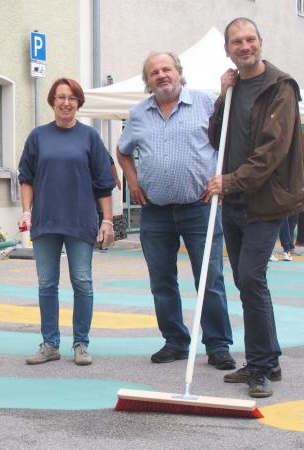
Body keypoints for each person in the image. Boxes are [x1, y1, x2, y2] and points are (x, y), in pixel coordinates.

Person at [204, 18, 304, 398]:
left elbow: (272, 152)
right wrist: (221, 95)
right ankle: (268, 360)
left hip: (266, 202)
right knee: (245, 282)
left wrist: (229, 182)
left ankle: (261, 367)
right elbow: (215, 138)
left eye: (249, 40)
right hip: (234, 202)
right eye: (236, 42)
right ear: (228, 49)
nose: (244, 47)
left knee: (251, 278)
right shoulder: (234, 88)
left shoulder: (280, 88)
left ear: (260, 42)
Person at [116, 52, 235, 371]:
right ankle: (176, 341)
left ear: (179, 73)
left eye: (166, 69)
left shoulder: (206, 103)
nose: (161, 75)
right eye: (154, 72)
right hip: (154, 211)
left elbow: (229, 141)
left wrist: (222, 179)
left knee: (209, 279)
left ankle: (217, 344)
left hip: (200, 208)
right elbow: (123, 150)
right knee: (162, 280)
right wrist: (132, 180)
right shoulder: (139, 113)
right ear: (148, 81)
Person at [18, 78, 115, 366]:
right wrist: (26, 211)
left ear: (78, 103)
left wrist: (107, 220)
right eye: (61, 97)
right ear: (52, 101)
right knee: (46, 284)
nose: (66, 102)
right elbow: (26, 177)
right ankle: (50, 344)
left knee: (82, 282)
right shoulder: (38, 136)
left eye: (72, 97)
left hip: (80, 221)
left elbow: (103, 182)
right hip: (46, 221)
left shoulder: (90, 137)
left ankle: (81, 344)